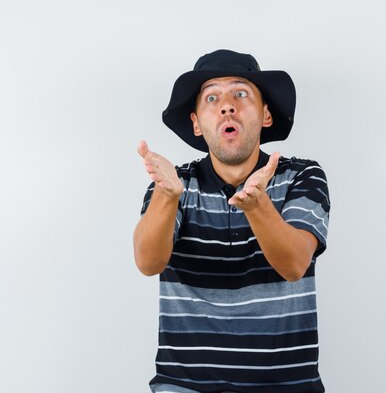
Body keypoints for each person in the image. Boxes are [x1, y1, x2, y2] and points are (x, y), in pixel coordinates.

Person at [134, 49, 331, 393]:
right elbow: (149, 262)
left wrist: (256, 206)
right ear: (196, 122)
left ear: (266, 115)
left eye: (241, 93)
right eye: (212, 97)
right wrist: (167, 196)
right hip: (184, 387)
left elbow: (295, 264)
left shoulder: (302, 176)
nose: (227, 105)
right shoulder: (174, 184)